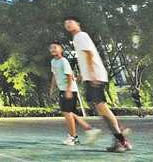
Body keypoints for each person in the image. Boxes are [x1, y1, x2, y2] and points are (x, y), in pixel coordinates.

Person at [64, 16, 132, 153]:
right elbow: (86, 56)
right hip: (92, 76)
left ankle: (121, 139)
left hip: (95, 76)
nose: (68, 24)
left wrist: (92, 74)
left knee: (102, 108)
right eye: (65, 23)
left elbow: (89, 54)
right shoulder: (77, 38)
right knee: (100, 108)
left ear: (78, 23)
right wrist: (84, 74)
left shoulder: (80, 36)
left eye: (70, 22)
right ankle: (120, 134)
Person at [48, 41, 98, 146]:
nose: (53, 49)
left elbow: (69, 76)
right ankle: (89, 129)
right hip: (63, 90)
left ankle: (73, 137)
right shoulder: (53, 61)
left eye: (55, 47)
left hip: (69, 90)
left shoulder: (63, 61)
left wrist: (69, 90)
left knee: (67, 113)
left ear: (61, 49)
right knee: (70, 113)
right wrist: (52, 88)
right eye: (51, 48)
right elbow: (54, 75)